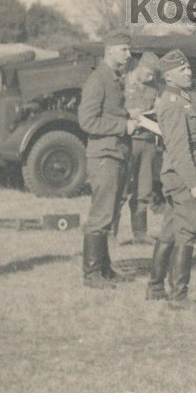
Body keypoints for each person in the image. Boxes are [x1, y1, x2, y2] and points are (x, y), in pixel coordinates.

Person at [145, 49, 196, 307]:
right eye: (182, 69)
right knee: (188, 232)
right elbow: (180, 150)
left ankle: (155, 287)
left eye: (188, 67)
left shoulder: (181, 99)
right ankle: (179, 296)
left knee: (170, 231)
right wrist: (195, 186)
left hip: (179, 175)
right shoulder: (173, 104)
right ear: (169, 76)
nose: (189, 71)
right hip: (183, 176)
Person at [76, 31, 137, 289]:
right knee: (101, 215)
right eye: (123, 49)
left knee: (109, 213)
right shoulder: (98, 80)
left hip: (115, 154)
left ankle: (103, 269)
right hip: (105, 156)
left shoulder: (112, 78)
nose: (129, 54)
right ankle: (91, 274)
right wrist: (124, 125)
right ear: (110, 50)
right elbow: (87, 121)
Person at [119, 51, 160, 245]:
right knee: (122, 188)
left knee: (144, 190)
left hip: (148, 143)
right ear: (140, 67)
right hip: (129, 142)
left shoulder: (154, 88)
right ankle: (110, 232)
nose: (151, 78)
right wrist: (128, 113)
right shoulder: (123, 84)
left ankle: (140, 232)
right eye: (149, 73)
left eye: (154, 75)